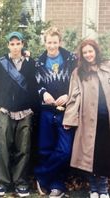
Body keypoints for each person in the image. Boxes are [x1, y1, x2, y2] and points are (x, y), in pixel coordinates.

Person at [0, 31, 40, 197]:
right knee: (1, 146)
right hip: (4, 110)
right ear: (8, 45)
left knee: (24, 147)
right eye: (11, 44)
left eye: (17, 43)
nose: (15, 47)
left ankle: (21, 182)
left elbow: (35, 87)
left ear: (22, 44)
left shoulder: (30, 63)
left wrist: (33, 108)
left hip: (25, 111)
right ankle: (2, 182)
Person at [63, 39, 110, 198]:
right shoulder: (78, 72)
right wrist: (69, 119)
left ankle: (103, 188)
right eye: (85, 53)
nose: (89, 55)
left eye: (91, 51)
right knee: (89, 154)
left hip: (106, 120)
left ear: (96, 51)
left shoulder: (107, 67)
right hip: (88, 120)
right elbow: (74, 96)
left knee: (104, 154)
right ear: (82, 56)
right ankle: (94, 188)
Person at [34, 26, 77, 198]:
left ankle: (41, 174)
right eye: (49, 42)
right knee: (46, 148)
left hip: (66, 111)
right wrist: (44, 92)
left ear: (60, 42)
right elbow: (37, 85)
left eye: (55, 42)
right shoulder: (39, 62)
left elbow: (77, 82)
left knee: (64, 150)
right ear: (45, 43)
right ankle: (56, 186)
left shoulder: (70, 59)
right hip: (46, 110)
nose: (52, 46)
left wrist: (68, 94)